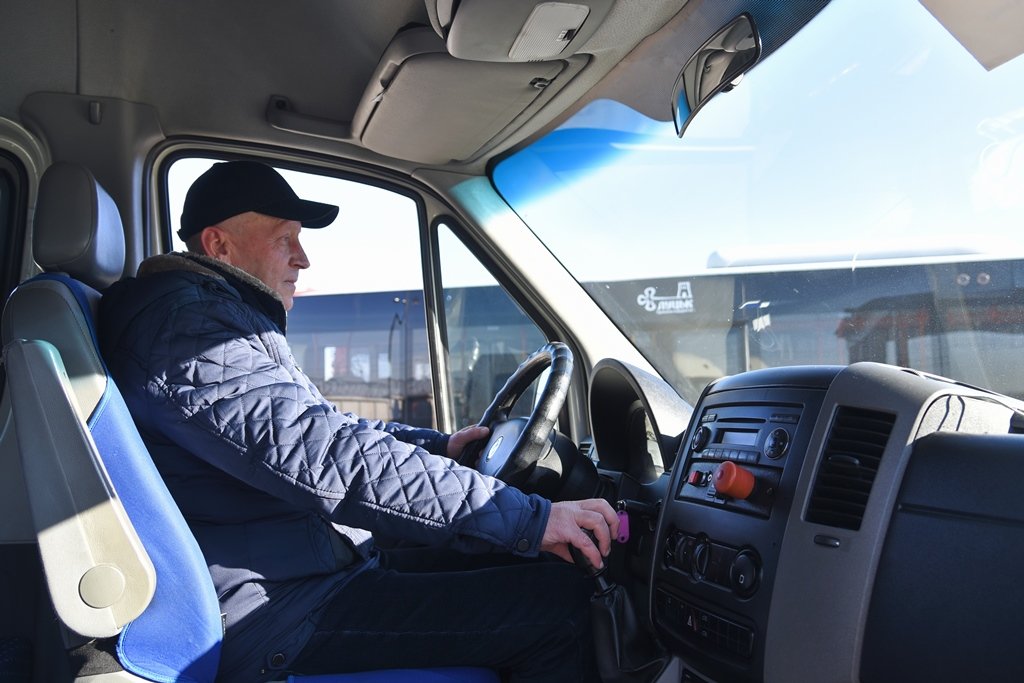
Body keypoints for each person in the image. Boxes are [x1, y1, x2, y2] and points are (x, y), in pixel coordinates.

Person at [98, 160, 618, 683]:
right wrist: (528, 519)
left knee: (526, 564)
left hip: (300, 567)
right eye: (284, 239)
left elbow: (322, 427)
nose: (303, 258)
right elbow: (326, 455)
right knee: (558, 607)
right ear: (219, 246)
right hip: (273, 611)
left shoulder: (208, 319)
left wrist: (439, 450)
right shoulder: (188, 331)